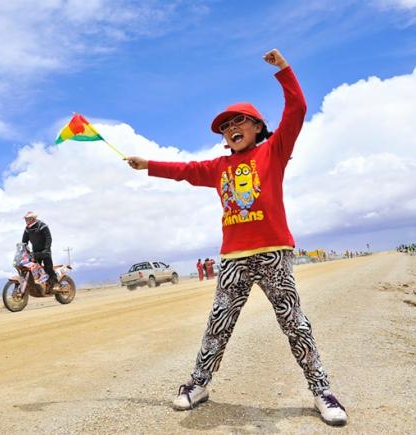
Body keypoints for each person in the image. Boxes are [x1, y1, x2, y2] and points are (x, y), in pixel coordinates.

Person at [125, 49, 347, 426]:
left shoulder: (273, 152)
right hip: (233, 259)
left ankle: (322, 390)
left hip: (274, 254)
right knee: (219, 323)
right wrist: (149, 164)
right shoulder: (219, 167)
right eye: (225, 127)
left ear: (258, 127)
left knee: (294, 323)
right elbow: (184, 170)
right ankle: (199, 384)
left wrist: (284, 71)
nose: (231, 129)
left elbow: (297, 111)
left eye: (238, 122)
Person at [22, 211, 58, 288]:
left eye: (28, 219)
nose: (26, 221)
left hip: (45, 251)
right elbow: (24, 241)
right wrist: (23, 250)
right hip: (35, 252)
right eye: (26, 219)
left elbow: (49, 238)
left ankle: (55, 284)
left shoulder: (42, 225)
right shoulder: (27, 229)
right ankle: (41, 285)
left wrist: (47, 249)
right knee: (34, 269)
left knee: (48, 268)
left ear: (33, 218)